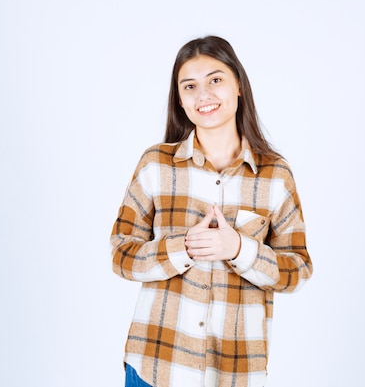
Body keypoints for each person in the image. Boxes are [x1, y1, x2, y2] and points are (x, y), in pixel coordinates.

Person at [111, 36, 312, 387]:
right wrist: (182, 248)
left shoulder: (275, 175)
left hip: (233, 372)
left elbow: (297, 269)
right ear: (180, 100)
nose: (203, 95)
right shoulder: (156, 164)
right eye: (190, 86)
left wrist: (239, 249)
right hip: (156, 365)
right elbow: (121, 253)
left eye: (215, 80)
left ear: (238, 86)